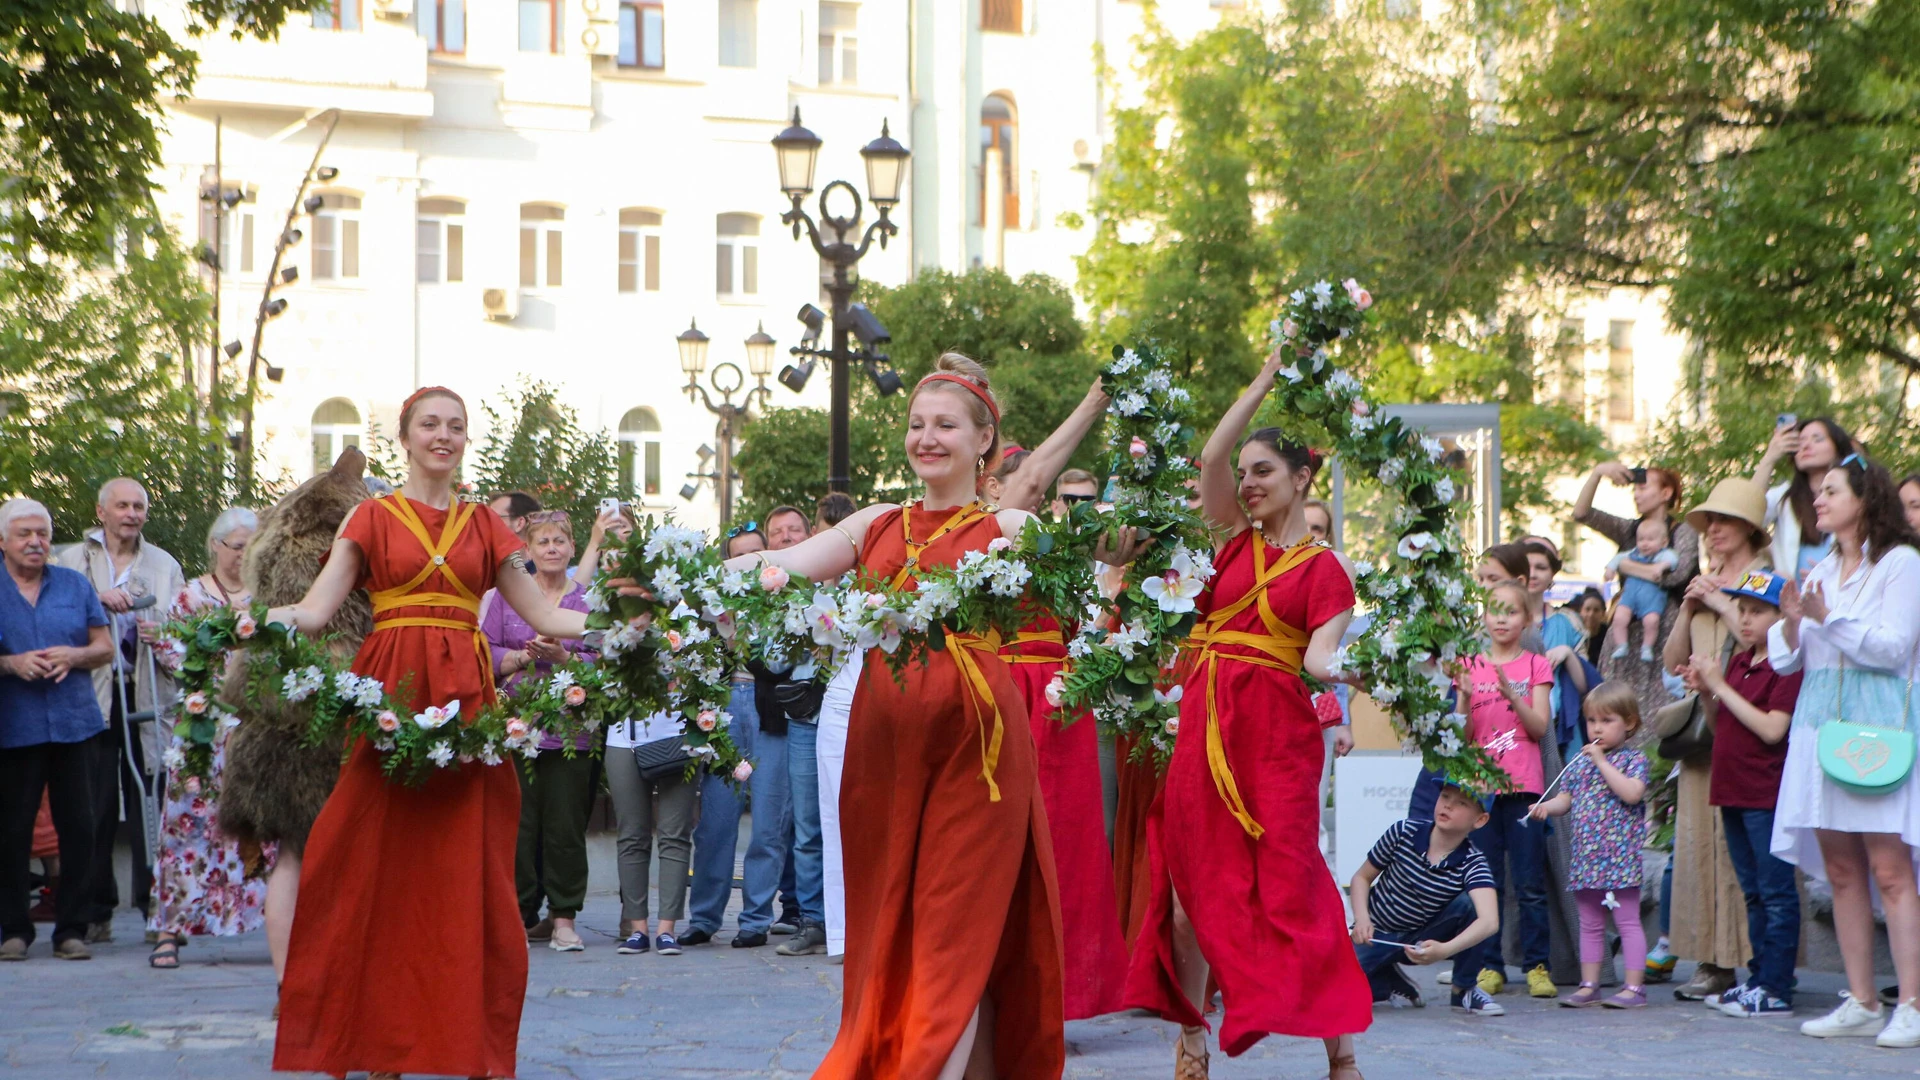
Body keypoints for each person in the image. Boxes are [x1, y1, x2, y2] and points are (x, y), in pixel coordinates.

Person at [726, 352, 1114, 1078]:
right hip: (885, 749)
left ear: (983, 442)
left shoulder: (1009, 525)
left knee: (952, 927)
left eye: (945, 425)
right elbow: (780, 567)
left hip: (979, 753)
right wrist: (684, 574)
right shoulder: (876, 522)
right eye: (916, 424)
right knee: (894, 921)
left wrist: (1121, 548)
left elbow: (1089, 573)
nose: (927, 437)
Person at [265, 387, 596, 1080]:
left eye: (455, 426)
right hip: (391, 699)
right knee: (368, 866)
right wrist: (250, 617)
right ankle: (374, 1046)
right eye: (430, 425)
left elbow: (543, 612)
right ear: (406, 437)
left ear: (464, 440)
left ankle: (461, 1044)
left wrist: (622, 628)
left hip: (467, 709)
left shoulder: (484, 525)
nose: (443, 436)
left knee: (463, 875)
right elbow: (319, 608)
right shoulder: (371, 515)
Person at [1126, 341, 1369, 1080]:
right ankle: (1194, 1036)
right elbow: (1209, 456)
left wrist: (1375, 668)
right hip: (1206, 728)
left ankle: (1342, 1054)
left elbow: (1322, 660)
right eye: (1246, 474)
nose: (1248, 482)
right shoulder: (1231, 540)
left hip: (1275, 740)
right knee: (1189, 889)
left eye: (1266, 472)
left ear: (1303, 479)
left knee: (1294, 884)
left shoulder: (1325, 569)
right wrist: (1264, 374)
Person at [1767, 454, 1920, 1047]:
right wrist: (1789, 622)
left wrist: (1828, 619)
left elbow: (1892, 647)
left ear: (1865, 497)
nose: (1820, 499)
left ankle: (1908, 1002)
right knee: (1840, 870)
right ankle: (1859, 999)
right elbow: (1790, 657)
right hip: (1818, 726)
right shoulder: (1820, 567)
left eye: (1831, 490)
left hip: (1876, 728)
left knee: (1889, 867)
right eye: (1818, 491)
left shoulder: (1901, 563)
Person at [990, 379, 1130, 1020]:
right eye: (1030, 488)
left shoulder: (1055, 544)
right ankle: (1003, 990)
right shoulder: (984, 529)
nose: (1039, 498)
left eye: (1043, 493)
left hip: (1058, 702)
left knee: (1070, 846)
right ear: (995, 485)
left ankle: (1062, 995)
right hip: (1005, 700)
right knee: (1003, 852)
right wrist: (1095, 401)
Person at [57, 477, 186, 943]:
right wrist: (97, 600)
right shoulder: (71, 559)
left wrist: (163, 634)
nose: (131, 514)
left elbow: (184, 628)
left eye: (139, 507)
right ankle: (96, 908)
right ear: (101, 512)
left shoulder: (164, 565)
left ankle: (157, 907)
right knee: (94, 802)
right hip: (91, 690)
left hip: (146, 688)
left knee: (151, 794)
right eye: (123, 506)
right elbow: (54, 615)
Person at [1659, 478, 1772, 1002]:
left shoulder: (1765, 578)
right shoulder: (1702, 581)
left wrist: (1726, 604)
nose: (1714, 531)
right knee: (1698, 845)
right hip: (1703, 733)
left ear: (1750, 526)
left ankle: (1752, 963)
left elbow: (1767, 641)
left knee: (1739, 851)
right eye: (1709, 523)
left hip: (1749, 726)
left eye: (1724, 521)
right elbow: (1670, 660)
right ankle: (1710, 960)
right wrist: (1687, 607)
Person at [148, 508, 269, 970]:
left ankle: (280, 922)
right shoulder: (191, 594)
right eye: (236, 546)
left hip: (255, 722)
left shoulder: (269, 597)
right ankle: (171, 927)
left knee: (265, 823)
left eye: (250, 548)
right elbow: (170, 647)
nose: (242, 556)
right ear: (216, 546)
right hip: (204, 725)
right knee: (187, 821)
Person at [1678, 569, 1802, 1018]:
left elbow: (1772, 729)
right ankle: (1760, 978)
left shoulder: (1788, 664)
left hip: (1765, 793)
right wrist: (1709, 693)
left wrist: (1722, 687)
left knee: (1775, 891)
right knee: (1752, 891)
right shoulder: (1740, 660)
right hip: (1730, 789)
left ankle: (1776, 987)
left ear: (1780, 614)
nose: (1746, 620)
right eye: (1742, 610)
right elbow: (1718, 727)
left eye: (1757, 611)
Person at [0, 498, 112, 961]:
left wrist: (74, 655)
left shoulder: (74, 583)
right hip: (13, 727)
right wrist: (10, 663)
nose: (35, 542)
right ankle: (13, 930)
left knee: (81, 828)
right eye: (24, 534)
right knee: (11, 831)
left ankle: (72, 930)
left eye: (42, 533)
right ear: (3, 540)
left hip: (75, 722)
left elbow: (103, 646)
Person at [482, 509, 597, 952]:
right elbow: (485, 650)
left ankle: (564, 917)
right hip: (516, 728)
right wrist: (519, 658)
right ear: (527, 552)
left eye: (559, 542)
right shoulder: (509, 597)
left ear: (571, 548)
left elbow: (606, 659)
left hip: (572, 732)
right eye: (542, 542)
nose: (551, 549)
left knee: (565, 827)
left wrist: (567, 659)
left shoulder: (587, 602)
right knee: (518, 826)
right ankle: (518, 914)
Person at [1453, 582, 1557, 1003]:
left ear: (1526, 619)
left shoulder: (1536, 665)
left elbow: (1539, 728)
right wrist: (1462, 699)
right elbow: (1460, 738)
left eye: (1511, 612)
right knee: (1486, 881)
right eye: (1494, 611)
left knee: (1530, 883)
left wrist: (1511, 692)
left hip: (1524, 790)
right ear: (1483, 617)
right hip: (1481, 791)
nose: (1501, 619)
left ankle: (1537, 966)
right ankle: (1489, 965)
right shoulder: (1469, 664)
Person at [1529, 682, 1652, 1008]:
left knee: (1627, 921)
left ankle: (1634, 987)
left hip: (1620, 857)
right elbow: (1566, 800)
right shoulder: (1579, 764)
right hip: (1586, 857)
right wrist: (1546, 807)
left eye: (1606, 720)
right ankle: (1589, 984)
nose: (1596, 728)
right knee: (1590, 923)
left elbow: (1632, 793)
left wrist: (1601, 761)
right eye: (1591, 721)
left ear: (1629, 723)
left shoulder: (1632, 760)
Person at [742, 505, 828, 957]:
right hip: (804, 722)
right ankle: (812, 920)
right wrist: (801, 627)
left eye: (797, 530)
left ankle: (851, 916)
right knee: (808, 828)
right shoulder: (776, 593)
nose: (789, 537)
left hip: (852, 715)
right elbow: (773, 662)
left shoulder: (853, 581)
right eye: (780, 533)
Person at [682, 525, 769, 949]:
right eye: (738, 558)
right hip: (725, 703)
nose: (747, 564)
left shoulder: (786, 597)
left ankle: (756, 920)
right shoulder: (709, 604)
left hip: (771, 705)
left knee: (771, 821)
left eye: (756, 555)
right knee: (717, 817)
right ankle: (704, 918)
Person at [1347, 784, 1499, 1012]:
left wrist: (1445, 950)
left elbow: (1490, 922)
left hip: (1421, 938)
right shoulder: (1403, 831)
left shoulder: (1473, 861)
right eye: (1445, 796)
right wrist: (1361, 919)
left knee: (1471, 905)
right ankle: (1386, 979)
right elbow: (1361, 878)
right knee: (1328, 988)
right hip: (1375, 934)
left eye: (1462, 803)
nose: (1448, 804)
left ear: (1479, 820)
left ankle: (1463, 989)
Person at [1572, 461, 1700, 719]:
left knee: (1659, 712)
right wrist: (1597, 472)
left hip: (1666, 631)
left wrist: (1627, 565)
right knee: (1616, 710)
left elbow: (1677, 574)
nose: (1636, 494)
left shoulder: (1683, 531)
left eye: (1643, 487)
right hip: (1625, 633)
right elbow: (1581, 513)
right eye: (1635, 489)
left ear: (1666, 493)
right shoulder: (1629, 529)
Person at [605, 708, 695, 956]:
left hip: (680, 736)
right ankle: (637, 929)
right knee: (631, 837)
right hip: (624, 740)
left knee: (675, 836)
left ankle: (667, 930)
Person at [1753, 416, 1855, 584]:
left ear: (1838, 448)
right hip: (1786, 603)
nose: (1806, 445)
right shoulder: (1783, 497)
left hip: (1838, 601)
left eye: (1818, 439)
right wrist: (1770, 457)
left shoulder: (1856, 495)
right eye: (1800, 441)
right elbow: (1747, 513)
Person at [1606, 518, 1679, 662]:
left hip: (1651, 599)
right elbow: (1619, 557)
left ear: (1663, 542)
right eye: (1641, 539)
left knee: (1651, 621)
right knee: (1619, 617)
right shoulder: (1634, 553)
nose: (1644, 544)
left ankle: (1647, 647)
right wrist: (1610, 568)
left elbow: (1673, 559)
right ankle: (1621, 645)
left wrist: (1661, 566)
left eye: (1650, 539)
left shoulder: (1662, 555)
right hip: (1630, 596)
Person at [1576, 589, 1609, 668]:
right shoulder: (1574, 634)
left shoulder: (1608, 635)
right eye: (1587, 609)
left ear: (1603, 613)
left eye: (1596, 610)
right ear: (1580, 611)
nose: (1591, 614)